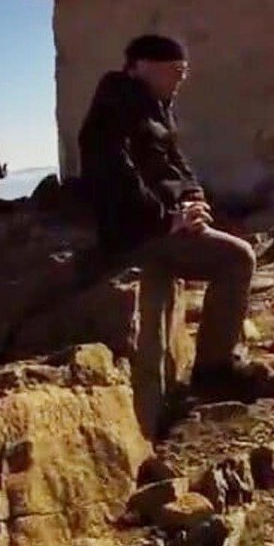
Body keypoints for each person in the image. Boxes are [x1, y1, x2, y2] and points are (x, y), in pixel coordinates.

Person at [77, 33, 259, 398]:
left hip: (163, 220)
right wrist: (165, 219)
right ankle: (213, 370)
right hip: (136, 233)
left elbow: (175, 160)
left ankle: (222, 353)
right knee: (237, 258)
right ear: (142, 67)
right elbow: (115, 173)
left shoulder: (154, 105)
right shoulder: (116, 107)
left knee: (239, 239)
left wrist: (193, 195)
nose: (182, 78)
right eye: (175, 70)